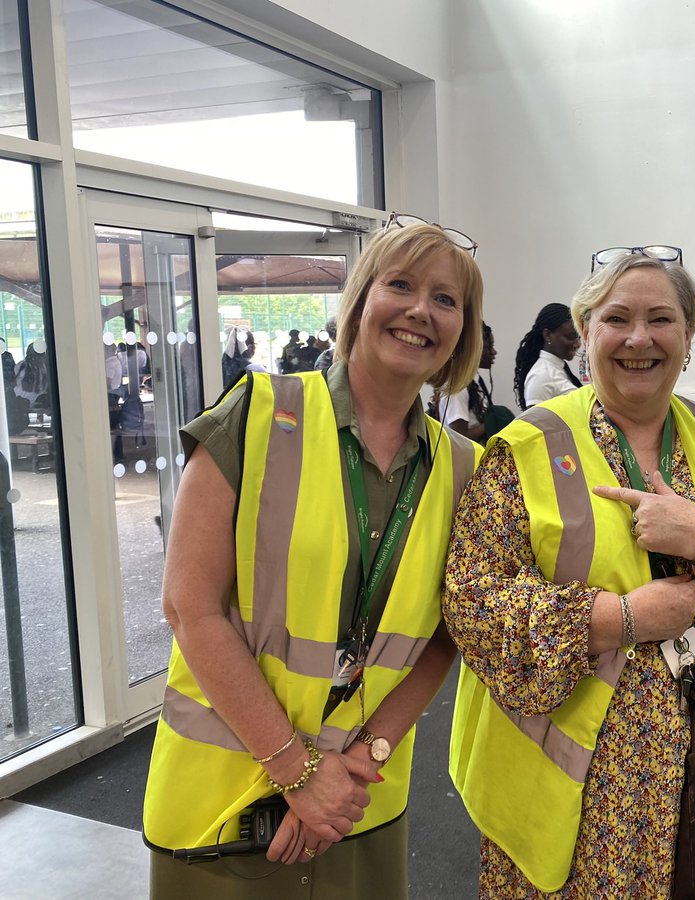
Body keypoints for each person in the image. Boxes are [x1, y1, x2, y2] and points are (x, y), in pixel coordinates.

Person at [142, 218, 485, 899]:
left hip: (358, 804)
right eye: (401, 285)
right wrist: (298, 772)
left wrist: (355, 765)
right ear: (360, 301)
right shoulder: (256, 416)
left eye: (446, 299)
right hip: (227, 802)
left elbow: (448, 633)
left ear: (463, 331)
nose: (421, 310)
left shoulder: (463, 469)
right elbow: (190, 608)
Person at [445, 250, 695, 896]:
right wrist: (623, 618)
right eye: (617, 319)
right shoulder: (525, 448)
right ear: (586, 329)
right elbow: (473, 602)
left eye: (661, 319)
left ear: (689, 336)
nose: (638, 338)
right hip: (571, 785)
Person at [433, 322, 512, 443]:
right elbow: (459, 438)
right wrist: (493, 422)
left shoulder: (471, 381)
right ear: (473, 348)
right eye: (489, 346)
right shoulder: (457, 387)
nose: (494, 352)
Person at [513, 301, 582, 409]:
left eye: (578, 337)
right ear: (548, 335)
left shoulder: (557, 369)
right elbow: (536, 419)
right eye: (570, 337)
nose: (577, 344)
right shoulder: (540, 376)